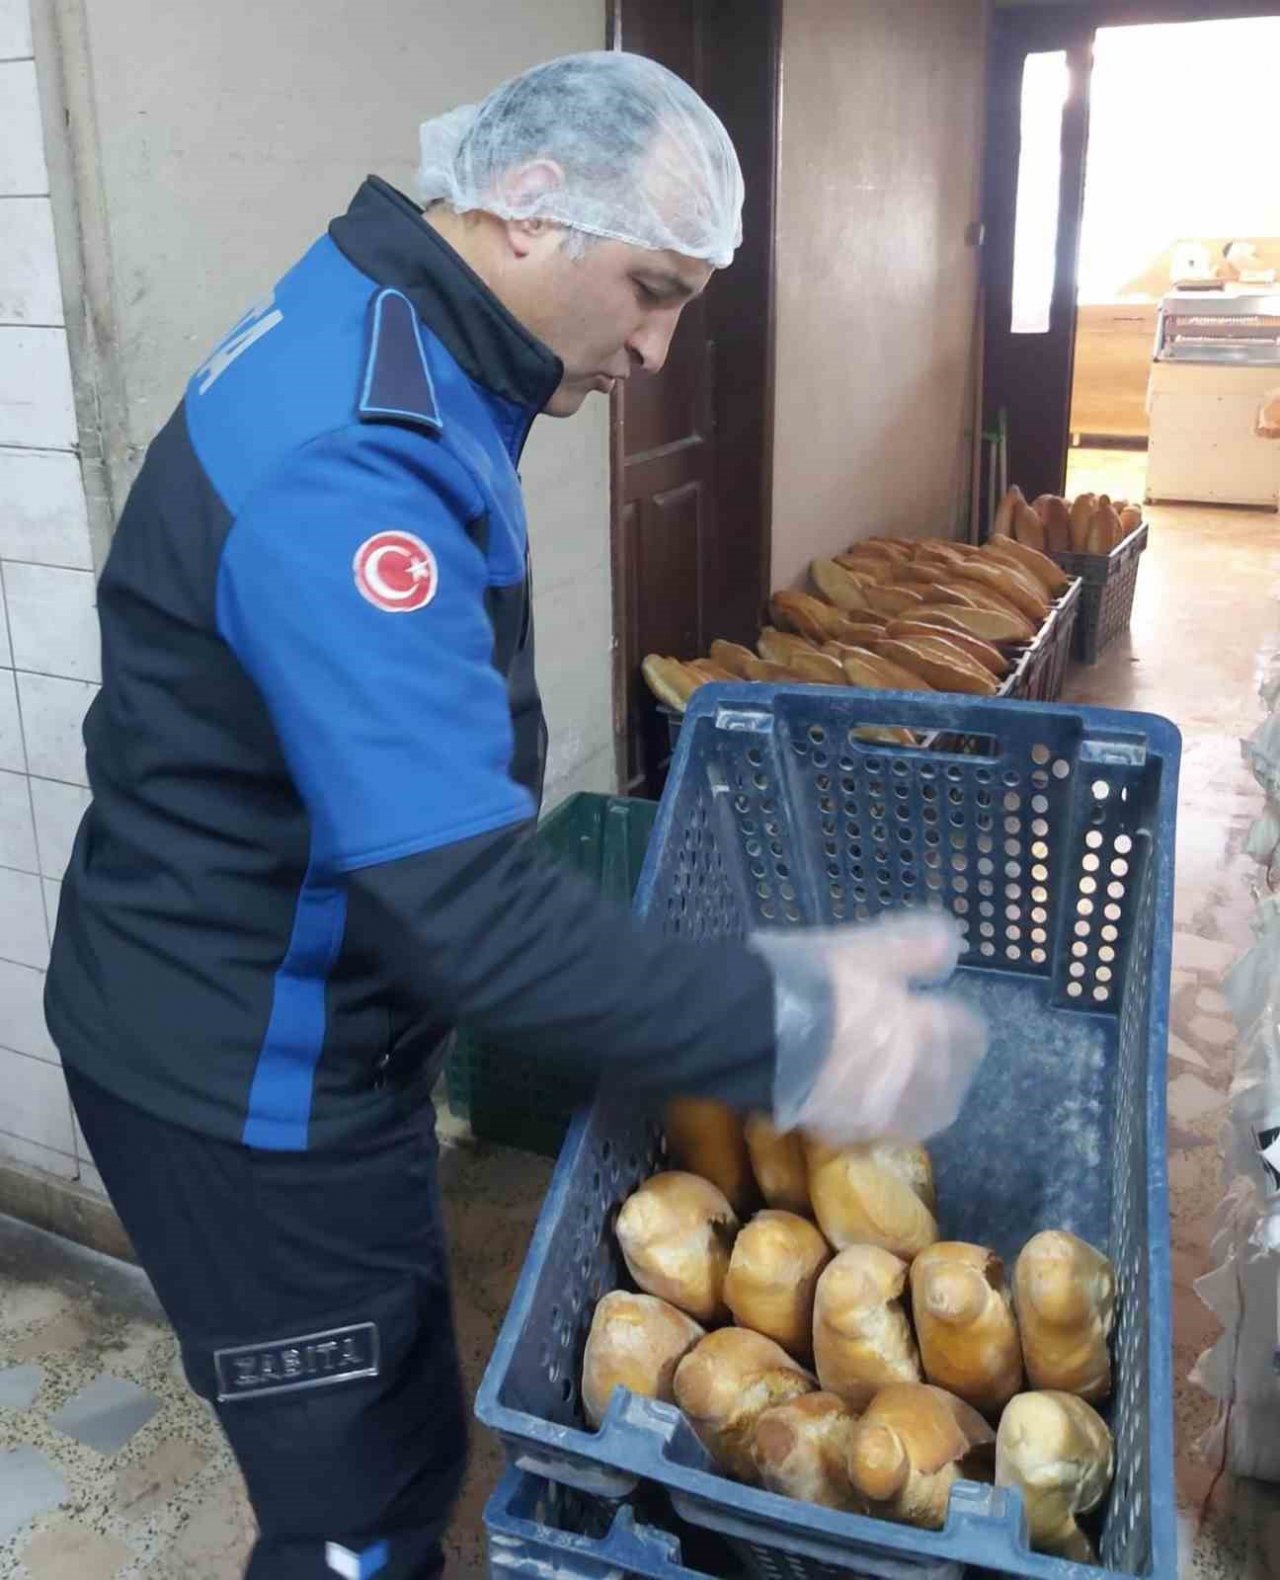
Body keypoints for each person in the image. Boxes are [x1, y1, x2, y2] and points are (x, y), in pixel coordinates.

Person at [45, 52, 986, 1579]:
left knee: (398, 1414)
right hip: (243, 1072)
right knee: (361, 1499)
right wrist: (802, 1023)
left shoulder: (394, 317)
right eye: (653, 289)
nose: (661, 349)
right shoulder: (356, 456)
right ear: (530, 209)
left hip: (286, 1010)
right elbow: (473, 913)